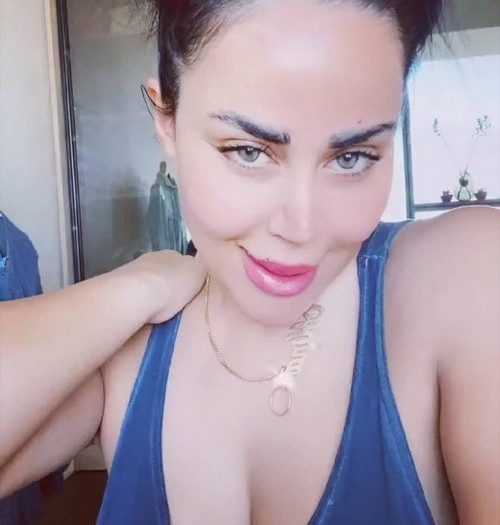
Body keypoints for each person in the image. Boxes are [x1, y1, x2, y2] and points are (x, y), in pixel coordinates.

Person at [1, 1, 499, 524]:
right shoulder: (126, 353)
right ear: (167, 120)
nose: (301, 228)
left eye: (352, 157)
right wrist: (140, 285)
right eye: (248, 151)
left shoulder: (462, 281)